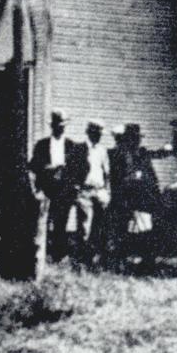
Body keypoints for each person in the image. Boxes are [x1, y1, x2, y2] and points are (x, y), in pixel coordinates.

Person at [30, 110, 87, 263]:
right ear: (52, 126)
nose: (60, 129)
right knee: (44, 221)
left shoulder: (72, 146)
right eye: (57, 126)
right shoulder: (42, 145)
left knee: (61, 222)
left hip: (64, 190)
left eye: (62, 126)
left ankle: (58, 254)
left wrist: (76, 185)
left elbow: (81, 168)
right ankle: (41, 253)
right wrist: (48, 168)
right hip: (47, 188)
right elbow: (33, 165)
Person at [109, 123, 162, 273]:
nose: (136, 141)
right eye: (132, 138)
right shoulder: (119, 155)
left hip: (144, 200)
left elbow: (151, 175)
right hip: (125, 199)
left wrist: (155, 193)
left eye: (137, 138)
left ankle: (147, 264)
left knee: (145, 231)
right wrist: (132, 178)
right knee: (123, 232)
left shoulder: (143, 154)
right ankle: (120, 263)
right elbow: (116, 178)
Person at [77, 119, 112, 268]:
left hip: (100, 191)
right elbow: (72, 171)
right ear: (89, 133)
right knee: (85, 227)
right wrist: (76, 188)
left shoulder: (102, 151)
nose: (98, 136)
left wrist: (107, 191)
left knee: (99, 227)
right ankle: (82, 261)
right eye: (96, 133)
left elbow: (107, 173)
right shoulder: (79, 149)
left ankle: (95, 261)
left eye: (100, 134)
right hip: (85, 192)